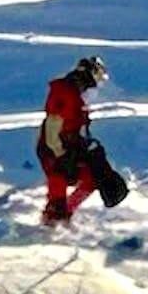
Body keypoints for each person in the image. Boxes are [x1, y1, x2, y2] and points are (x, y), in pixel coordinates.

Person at [38, 55, 108, 224]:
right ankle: (51, 223)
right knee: (57, 195)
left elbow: (79, 126)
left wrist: (88, 145)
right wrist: (59, 153)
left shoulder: (78, 95)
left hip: (71, 147)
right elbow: (52, 127)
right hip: (54, 150)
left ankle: (66, 212)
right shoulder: (65, 93)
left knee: (92, 178)